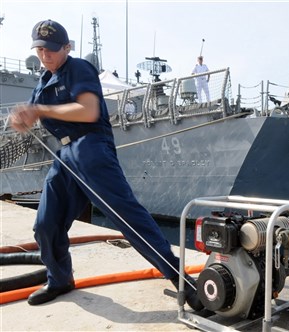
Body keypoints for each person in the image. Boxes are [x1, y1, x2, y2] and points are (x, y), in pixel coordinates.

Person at [10, 19, 204, 311]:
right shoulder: (42, 82)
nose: (44, 55)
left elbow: (88, 111)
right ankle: (59, 278)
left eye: (51, 49)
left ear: (67, 47)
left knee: (127, 217)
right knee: (45, 224)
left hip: (90, 148)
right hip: (64, 156)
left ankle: (182, 281)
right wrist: (23, 118)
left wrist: (38, 110)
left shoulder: (78, 69)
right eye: (39, 49)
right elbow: (36, 112)